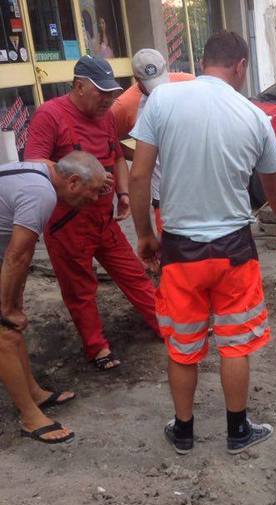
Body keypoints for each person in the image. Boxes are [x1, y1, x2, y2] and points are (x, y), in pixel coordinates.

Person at [129, 31, 276, 455]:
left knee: (182, 347)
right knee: (235, 342)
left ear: (203, 60)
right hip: (233, 251)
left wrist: (146, 234)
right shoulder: (254, 116)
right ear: (240, 65)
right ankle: (237, 431)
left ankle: (183, 432)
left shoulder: (163, 101)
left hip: (180, 250)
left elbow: (138, 175)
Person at [24, 55, 160, 370]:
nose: (108, 99)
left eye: (112, 92)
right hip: (67, 221)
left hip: (103, 217)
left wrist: (123, 193)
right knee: (80, 288)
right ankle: (97, 348)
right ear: (79, 86)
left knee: (134, 273)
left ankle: (166, 326)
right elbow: (34, 163)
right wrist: (83, 177)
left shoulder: (107, 117)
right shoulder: (50, 115)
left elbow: (114, 156)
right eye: (101, 92)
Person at [0, 151, 107, 445]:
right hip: (7, 255)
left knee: (13, 322)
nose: (96, 199)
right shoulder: (41, 193)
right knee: (5, 331)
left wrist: (13, 302)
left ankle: (33, 392)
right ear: (73, 182)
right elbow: (18, 254)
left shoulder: (44, 173)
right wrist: (7, 307)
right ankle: (29, 416)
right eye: (94, 191)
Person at [112, 49, 195, 233]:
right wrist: (140, 156)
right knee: (169, 255)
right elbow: (109, 140)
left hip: (197, 187)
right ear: (136, 79)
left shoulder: (188, 82)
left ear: (166, 67)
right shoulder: (123, 106)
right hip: (165, 198)